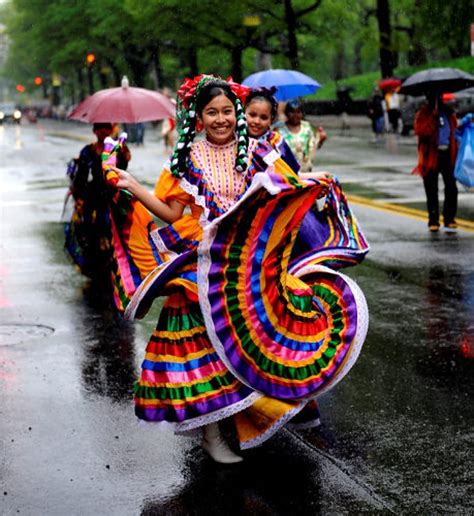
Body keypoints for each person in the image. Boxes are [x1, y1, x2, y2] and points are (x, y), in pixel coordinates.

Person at [107, 76, 369, 464]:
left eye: (227, 111)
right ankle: (212, 435)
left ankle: (263, 411)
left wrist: (312, 184)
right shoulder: (186, 159)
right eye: (211, 112)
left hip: (251, 265)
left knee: (269, 335)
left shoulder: (259, 152)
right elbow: (170, 213)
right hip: (203, 264)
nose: (221, 119)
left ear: (238, 114)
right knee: (204, 351)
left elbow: (286, 188)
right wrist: (133, 186)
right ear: (198, 117)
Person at [64, 122, 131, 282]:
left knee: (116, 235)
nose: (102, 131)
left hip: (112, 196)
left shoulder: (116, 148)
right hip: (92, 198)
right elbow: (80, 178)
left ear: (111, 130)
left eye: (106, 127)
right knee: (90, 235)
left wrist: (124, 154)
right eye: (99, 128)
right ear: (94, 130)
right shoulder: (87, 151)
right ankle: (95, 269)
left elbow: (122, 169)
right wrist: (79, 197)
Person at [413, 93, 458, 232]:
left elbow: (454, 130)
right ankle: (433, 220)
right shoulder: (423, 114)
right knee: (431, 189)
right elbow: (422, 132)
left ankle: (449, 218)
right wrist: (432, 117)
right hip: (430, 156)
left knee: (451, 187)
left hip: (447, 155)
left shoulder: (448, 114)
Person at [277, 100, 326, 172]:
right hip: (285, 170)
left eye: (298, 112)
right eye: (292, 112)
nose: (295, 115)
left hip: (304, 169)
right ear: (287, 113)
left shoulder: (307, 127)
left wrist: (321, 139)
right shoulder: (279, 129)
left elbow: (313, 147)